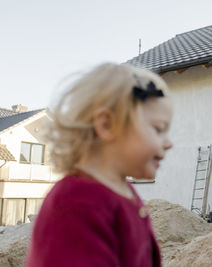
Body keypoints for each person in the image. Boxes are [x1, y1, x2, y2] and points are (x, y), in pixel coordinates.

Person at [26, 63, 173, 267]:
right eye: (158, 129)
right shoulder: (75, 203)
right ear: (106, 125)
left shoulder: (122, 190)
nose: (169, 143)